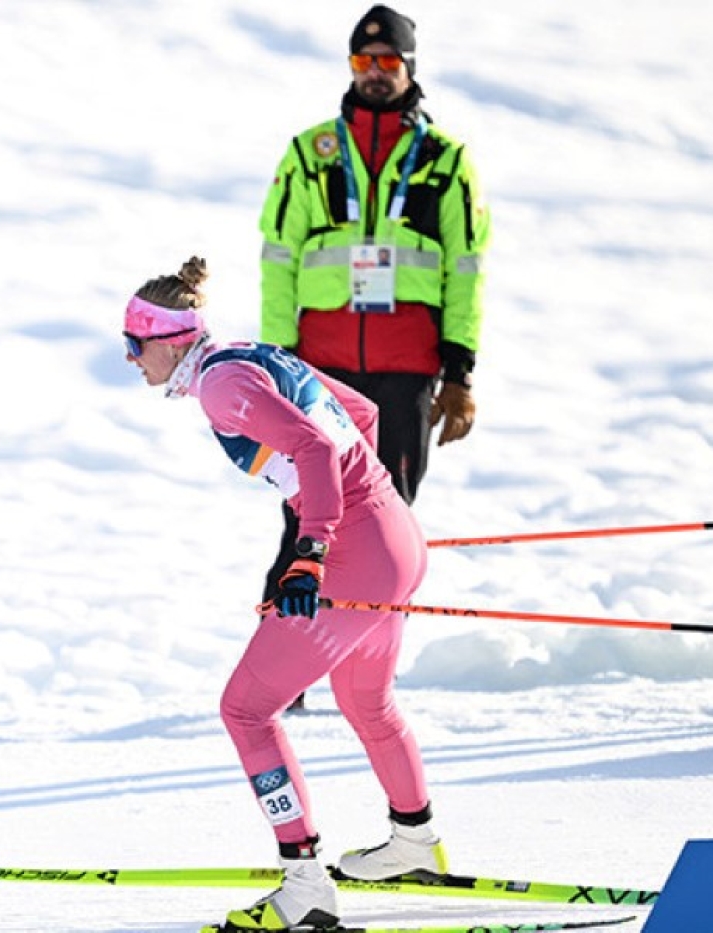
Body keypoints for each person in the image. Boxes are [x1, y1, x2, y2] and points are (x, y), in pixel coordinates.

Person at [123, 257, 445, 931]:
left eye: (135, 344)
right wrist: (368, 510)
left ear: (169, 339)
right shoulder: (248, 355)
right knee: (366, 698)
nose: (131, 360)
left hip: (357, 552)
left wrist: (315, 547)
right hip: (392, 539)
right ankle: (414, 840)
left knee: (245, 709)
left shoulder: (221, 387)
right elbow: (356, 413)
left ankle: (305, 883)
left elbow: (314, 450)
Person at [257, 4, 491, 709]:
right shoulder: (309, 154)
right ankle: (281, 672)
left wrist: (460, 371)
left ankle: (361, 672)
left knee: (385, 523)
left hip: (406, 369)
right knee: (305, 514)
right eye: (364, 62)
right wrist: (277, 360)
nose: (376, 74)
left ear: (410, 68)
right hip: (321, 367)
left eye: (388, 62)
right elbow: (278, 260)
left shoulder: (446, 162)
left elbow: (467, 267)